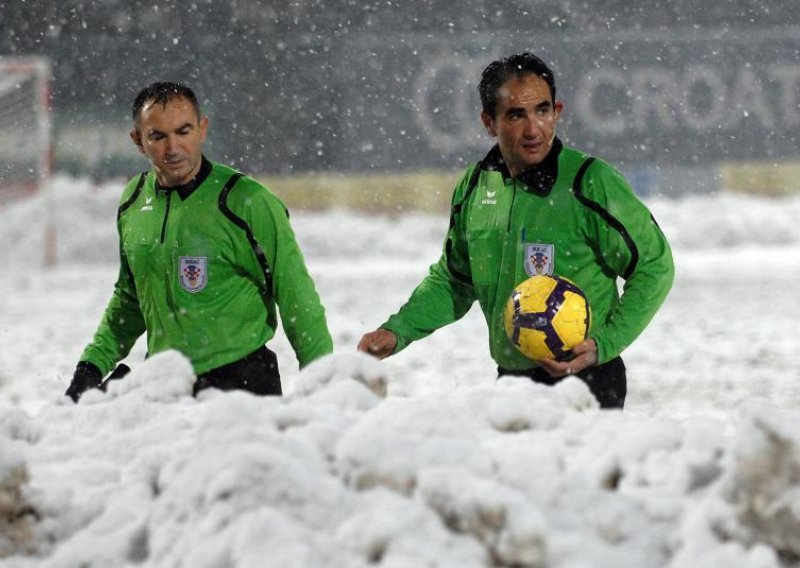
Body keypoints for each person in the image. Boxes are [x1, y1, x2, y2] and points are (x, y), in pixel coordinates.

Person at [358, 53, 674, 408]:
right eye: (515, 115)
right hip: (511, 384)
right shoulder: (476, 187)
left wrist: (605, 343)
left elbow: (654, 266)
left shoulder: (591, 182)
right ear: (489, 122)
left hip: (587, 383)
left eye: (542, 111)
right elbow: (456, 281)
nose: (533, 128)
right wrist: (397, 331)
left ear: (557, 111)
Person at [66, 82, 333, 401]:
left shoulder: (246, 202)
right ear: (138, 140)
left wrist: (323, 386)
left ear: (202, 128)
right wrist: (92, 366)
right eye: (158, 136)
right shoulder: (133, 201)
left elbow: (296, 294)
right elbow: (131, 297)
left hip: (242, 385)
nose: (173, 148)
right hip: (165, 385)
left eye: (184, 131)